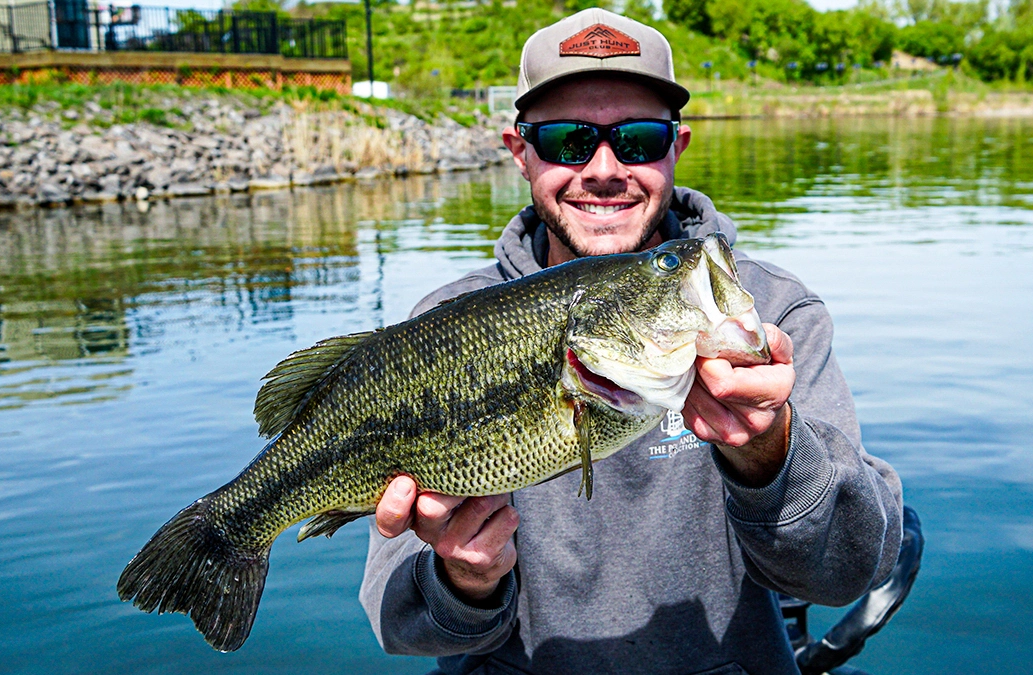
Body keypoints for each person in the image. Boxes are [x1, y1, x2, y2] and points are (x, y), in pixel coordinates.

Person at [361, 9, 903, 674]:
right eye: (567, 140)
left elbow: (850, 567)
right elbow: (397, 620)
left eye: (638, 139)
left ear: (677, 146)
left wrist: (771, 452)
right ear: (518, 150)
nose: (605, 168)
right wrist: (467, 582)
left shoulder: (773, 314)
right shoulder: (444, 327)